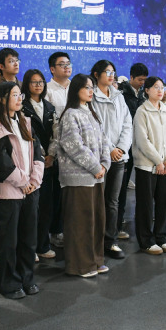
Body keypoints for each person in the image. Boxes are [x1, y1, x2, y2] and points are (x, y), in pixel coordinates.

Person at [0, 81, 44, 299]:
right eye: (14, 95)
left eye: (20, 94)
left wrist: (34, 181)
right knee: (8, 242)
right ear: (2, 99)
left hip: (30, 190)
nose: (20, 98)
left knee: (29, 239)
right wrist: (23, 181)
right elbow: (1, 162)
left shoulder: (25, 122)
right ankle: (9, 283)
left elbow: (38, 153)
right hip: (9, 192)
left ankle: (27, 278)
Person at [56, 74, 111, 277]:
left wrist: (104, 164)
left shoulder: (92, 113)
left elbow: (104, 141)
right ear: (76, 89)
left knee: (96, 221)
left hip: (96, 176)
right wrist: (95, 166)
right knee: (80, 223)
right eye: (86, 87)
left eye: (92, 87)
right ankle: (80, 265)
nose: (90, 91)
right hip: (78, 178)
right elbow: (73, 146)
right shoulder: (70, 114)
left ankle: (95, 260)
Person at [89, 60, 133, 260]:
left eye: (113, 72)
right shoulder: (91, 96)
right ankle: (95, 242)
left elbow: (127, 124)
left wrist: (121, 148)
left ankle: (111, 240)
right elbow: (95, 127)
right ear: (96, 74)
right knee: (97, 201)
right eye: (107, 72)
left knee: (113, 202)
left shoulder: (118, 96)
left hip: (119, 157)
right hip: (100, 157)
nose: (111, 75)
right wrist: (110, 149)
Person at [132, 77, 166, 254]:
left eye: (162, 87)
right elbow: (142, 141)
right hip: (147, 166)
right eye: (156, 87)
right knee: (145, 204)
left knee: (163, 203)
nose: (160, 91)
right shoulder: (142, 111)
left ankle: (161, 237)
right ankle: (146, 240)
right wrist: (158, 161)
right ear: (147, 90)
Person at [21, 69, 59, 260]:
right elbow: (26, 136)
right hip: (30, 163)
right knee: (30, 209)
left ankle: (43, 245)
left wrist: (51, 155)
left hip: (49, 164)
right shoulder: (22, 107)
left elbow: (56, 134)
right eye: (34, 82)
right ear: (27, 84)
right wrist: (41, 156)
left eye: (41, 82)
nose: (38, 85)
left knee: (46, 206)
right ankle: (30, 248)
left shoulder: (50, 107)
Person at [44, 52, 73, 248]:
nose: (66, 67)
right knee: (55, 194)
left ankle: (68, 229)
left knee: (70, 195)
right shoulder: (47, 90)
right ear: (52, 69)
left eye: (68, 63)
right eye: (62, 64)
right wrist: (51, 152)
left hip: (75, 150)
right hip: (55, 149)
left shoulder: (77, 87)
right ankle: (54, 231)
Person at [116, 62, 148, 238]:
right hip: (125, 145)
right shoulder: (121, 94)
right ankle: (117, 222)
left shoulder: (144, 94)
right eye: (140, 80)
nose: (142, 83)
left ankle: (142, 220)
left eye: (144, 80)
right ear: (131, 77)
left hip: (141, 144)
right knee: (121, 187)